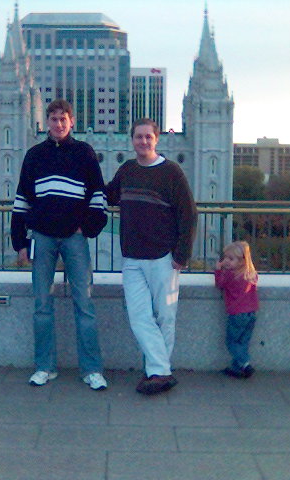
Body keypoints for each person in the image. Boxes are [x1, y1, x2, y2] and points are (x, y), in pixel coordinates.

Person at [11, 99, 109, 390]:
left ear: (71, 121)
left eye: (63, 118)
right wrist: (20, 242)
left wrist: (87, 227)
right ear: (47, 122)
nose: (58, 123)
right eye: (53, 119)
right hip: (42, 237)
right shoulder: (34, 155)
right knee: (42, 304)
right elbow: (22, 199)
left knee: (84, 304)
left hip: (74, 237)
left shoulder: (84, 153)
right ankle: (44, 367)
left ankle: (92, 370)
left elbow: (98, 193)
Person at [105, 118, 197, 395]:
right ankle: (162, 371)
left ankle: (157, 372)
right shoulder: (127, 170)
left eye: (148, 137)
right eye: (139, 137)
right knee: (139, 317)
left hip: (163, 257)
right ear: (132, 140)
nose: (143, 141)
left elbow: (188, 214)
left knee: (165, 316)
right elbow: (109, 196)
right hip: (132, 258)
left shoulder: (171, 172)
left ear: (156, 139)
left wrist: (182, 254)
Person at [215, 241, 259, 379]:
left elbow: (220, 284)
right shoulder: (251, 274)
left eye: (231, 258)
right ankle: (237, 367)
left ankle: (245, 364)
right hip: (251, 312)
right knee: (243, 341)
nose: (226, 261)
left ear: (241, 261)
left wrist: (218, 270)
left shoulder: (230, 275)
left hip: (237, 313)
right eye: (225, 258)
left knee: (232, 341)